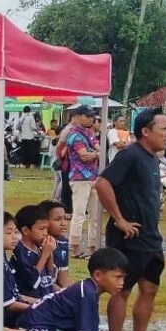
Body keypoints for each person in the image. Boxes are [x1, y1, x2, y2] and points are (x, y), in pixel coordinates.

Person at [94, 108, 166, 331]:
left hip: (151, 237)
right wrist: (119, 220)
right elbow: (102, 183)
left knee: (149, 288)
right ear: (146, 132)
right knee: (121, 290)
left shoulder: (152, 158)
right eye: (164, 129)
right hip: (128, 238)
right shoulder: (130, 155)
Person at [61, 105, 101, 259]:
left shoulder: (89, 133)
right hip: (79, 178)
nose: (91, 119)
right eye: (87, 116)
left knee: (95, 215)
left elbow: (96, 150)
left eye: (92, 116)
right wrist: (95, 153)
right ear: (77, 116)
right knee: (79, 214)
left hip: (93, 177)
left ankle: (92, 248)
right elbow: (84, 156)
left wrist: (94, 153)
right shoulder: (74, 135)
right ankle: (75, 247)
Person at [10, 204, 57, 300]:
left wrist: (50, 254)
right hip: (31, 306)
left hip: (46, 299)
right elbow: (32, 280)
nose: (45, 233)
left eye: (46, 228)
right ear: (25, 230)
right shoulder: (20, 251)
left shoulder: (40, 247)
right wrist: (45, 254)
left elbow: (50, 277)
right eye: (41, 229)